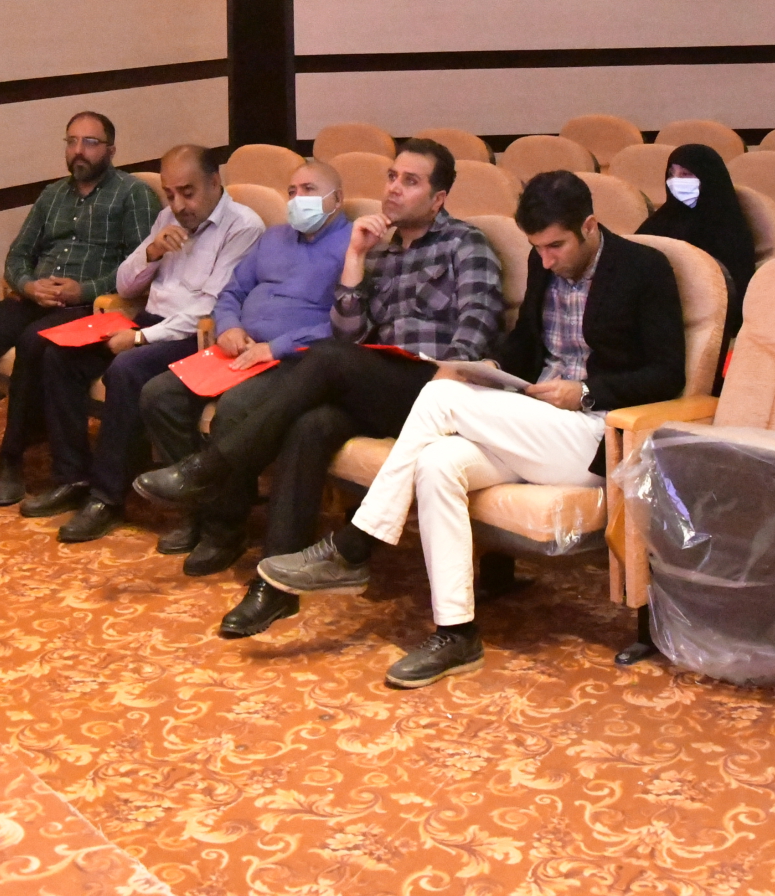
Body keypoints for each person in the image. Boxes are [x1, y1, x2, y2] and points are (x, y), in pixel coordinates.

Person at [256, 172, 685, 688]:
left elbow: (668, 374)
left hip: (597, 434)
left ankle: (355, 544)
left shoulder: (644, 269)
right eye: (537, 248)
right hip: (535, 423)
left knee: (440, 397)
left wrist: (588, 390)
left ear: (589, 226)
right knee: (438, 463)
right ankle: (456, 632)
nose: (546, 260)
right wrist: (487, 367)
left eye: (556, 247)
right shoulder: (543, 261)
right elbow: (527, 342)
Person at [134, 139, 502, 640]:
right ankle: (274, 589)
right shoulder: (381, 250)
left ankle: (211, 468)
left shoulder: (466, 244)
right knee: (310, 425)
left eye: (410, 182)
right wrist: (356, 256)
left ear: (438, 199)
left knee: (326, 357)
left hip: (437, 388)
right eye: (392, 176)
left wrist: (439, 381)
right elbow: (352, 333)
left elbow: (474, 335)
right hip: (380, 383)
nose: (394, 188)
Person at [0, 111, 156, 506]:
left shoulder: (133, 195)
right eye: (72, 141)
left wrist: (84, 290)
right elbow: (18, 255)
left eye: (90, 142)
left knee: (32, 342)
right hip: (34, 297)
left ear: (111, 150)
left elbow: (141, 268)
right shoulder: (52, 195)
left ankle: (12, 458)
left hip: (90, 306)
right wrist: (27, 284)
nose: (79, 150)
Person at [31, 145, 264, 541]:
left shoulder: (243, 227)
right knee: (60, 357)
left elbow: (209, 309)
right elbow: (125, 286)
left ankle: (107, 497)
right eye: (170, 194)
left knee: (126, 369)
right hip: (148, 320)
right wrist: (152, 252)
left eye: (188, 192)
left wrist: (140, 338)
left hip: (193, 335)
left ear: (214, 182)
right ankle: (72, 477)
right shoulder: (166, 218)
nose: (179, 205)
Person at [137, 160, 354, 568]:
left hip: (297, 361)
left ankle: (223, 531)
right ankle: (200, 509)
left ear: (337, 199)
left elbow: (348, 325)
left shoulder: (354, 247)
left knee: (235, 411)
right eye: (292, 192)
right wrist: (229, 326)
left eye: (309, 190)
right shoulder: (274, 238)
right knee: (158, 394)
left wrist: (278, 346)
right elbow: (232, 291)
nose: (298, 200)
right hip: (237, 349)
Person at [635, 142, 755, 359]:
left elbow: (732, 295)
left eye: (686, 174)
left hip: (698, 322)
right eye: (671, 174)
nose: (676, 181)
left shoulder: (728, 228)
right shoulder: (662, 219)